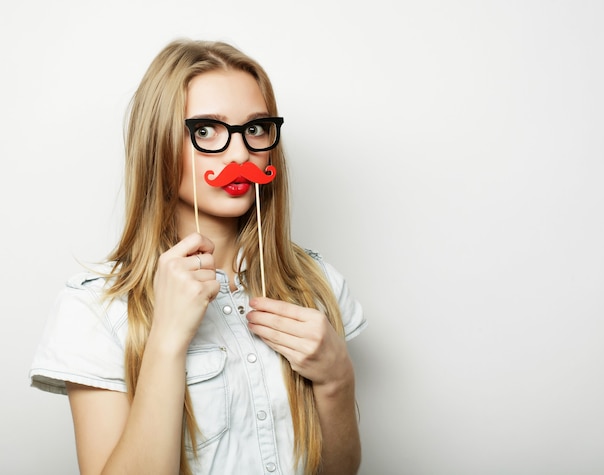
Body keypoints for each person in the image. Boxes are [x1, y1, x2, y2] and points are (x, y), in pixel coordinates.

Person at [29, 39, 366, 475]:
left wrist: (337, 380)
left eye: (257, 128)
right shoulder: (96, 310)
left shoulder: (318, 282)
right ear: (158, 144)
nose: (242, 154)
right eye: (205, 130)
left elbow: (340, 470)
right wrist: (167, 337)